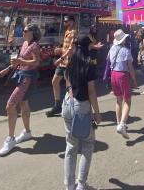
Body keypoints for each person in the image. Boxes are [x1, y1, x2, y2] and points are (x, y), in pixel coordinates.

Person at [62, 36, 101, 190]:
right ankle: (81, 184)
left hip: (68, 103)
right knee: (87, 145)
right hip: (82, 106)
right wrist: (97, 113)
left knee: (70, 146)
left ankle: (69, 185)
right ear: (87, 46)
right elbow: (91, 92)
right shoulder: (89, 64)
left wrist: (70, 93)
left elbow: (66, 79)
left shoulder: (71, 60)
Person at [0, 24, 41, 157]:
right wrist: (7, 69)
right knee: (23, 103)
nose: (22, 32)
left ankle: (11, 139)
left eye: (25, 30)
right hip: (21, 75)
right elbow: (17, 60)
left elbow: (36, 62)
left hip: (27, 78)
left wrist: (21, 60)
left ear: (32, 33)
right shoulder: (25, 43)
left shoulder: (34, 45)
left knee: (10, 105)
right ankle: (27, 132)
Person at [46, 15, 78, 117]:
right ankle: (57, 105)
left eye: (66, 21)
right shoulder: (67, 32)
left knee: (69, 86)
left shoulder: (74, 32)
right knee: (55, 81)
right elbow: (66, 48)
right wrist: (59, 50)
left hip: (69, 62)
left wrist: (61, 58)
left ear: (72, 21)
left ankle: (72, 107)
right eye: (64, 21)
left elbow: (71, 49)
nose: (64, 23)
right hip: (63, 62)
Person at [109, 28, 138, 139]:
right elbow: (130, 68)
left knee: (118, 100)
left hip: (113, 75)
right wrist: (134, 81)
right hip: (122, 75)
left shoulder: (111, 49)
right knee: (127, 101)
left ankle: (118, 122)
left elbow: (109, 61)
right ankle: (122, 124)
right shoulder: (126, 51)